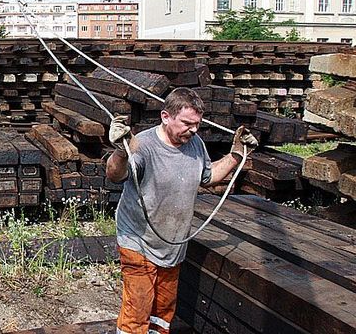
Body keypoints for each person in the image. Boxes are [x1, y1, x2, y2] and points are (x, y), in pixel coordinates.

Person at [106, 87, 258, 334]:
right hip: (138, 242)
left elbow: (208, 177)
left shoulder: (195, 144)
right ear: (166, 116)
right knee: (137, 312)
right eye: (187, 123)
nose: (194, 129)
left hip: (173, 245)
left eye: (197, 124)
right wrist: (122, 150)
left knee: (163, 312)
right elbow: (115, 174)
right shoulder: (143, 145)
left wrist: (237, 153)